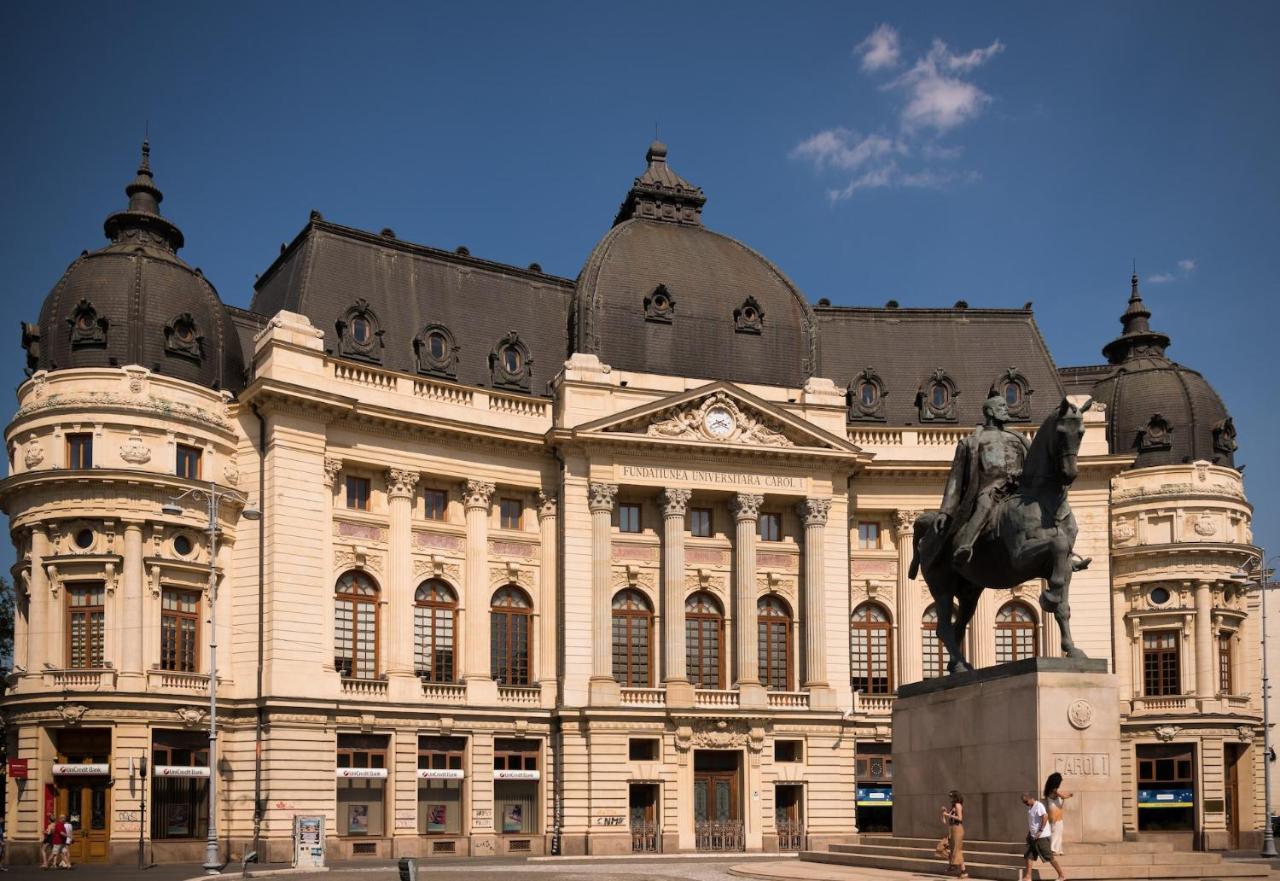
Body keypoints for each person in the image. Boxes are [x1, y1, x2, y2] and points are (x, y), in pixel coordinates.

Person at [936, 395, 1089, 572]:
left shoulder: (1018, 438)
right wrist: (946, 511)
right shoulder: (972, 441)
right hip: (991, 488)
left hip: (1019, 488)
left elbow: (1034, 463)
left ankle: (1065, 557)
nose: (1006, 409)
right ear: (990, 411)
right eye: (1001, 406)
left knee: (1052, 508)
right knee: (984, 504)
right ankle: (965, 546)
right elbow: (955, 479)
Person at [1021, 792, 1066, 881]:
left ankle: (1062, 875)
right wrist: (1029, 834)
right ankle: (1028, 877)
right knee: (1028, 856)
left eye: (1026, 802)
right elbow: (1033, 824)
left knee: (1049, 857)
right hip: (1033, 837)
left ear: (1031, 798)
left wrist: (1040, 831)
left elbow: (1045, 817)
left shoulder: (1039, 806)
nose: (1025, 804)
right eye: (1024, 803)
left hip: (1042, 837)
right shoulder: (1030, 808)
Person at [1043, 772, 1073, 855]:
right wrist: (1070, 795)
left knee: (1057, 829)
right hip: (1055, 812)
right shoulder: (1054, 790)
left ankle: (1058, 849)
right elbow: (1063, 796)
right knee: (1057, 829)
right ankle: (1053, 848)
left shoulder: (1049, 790)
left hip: (1054, 811)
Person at [941, 790, 968, 879]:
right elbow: (944, 821)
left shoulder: (958, 805)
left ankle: (953, 865)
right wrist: (943, 814)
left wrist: (948, 815)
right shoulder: (953, 807)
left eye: (951, 797)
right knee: (951, 849)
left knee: (956, 849)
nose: (950, 799)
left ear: (955, 797)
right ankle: (961, 870)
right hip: (952, 828)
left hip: (957, 828)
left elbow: (960, 818)